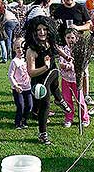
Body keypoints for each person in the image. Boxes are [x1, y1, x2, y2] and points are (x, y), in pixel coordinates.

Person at [25, 15, 71, 145]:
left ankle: (59, 99)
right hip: (39, 82)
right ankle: (42, 134)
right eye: (39, 30)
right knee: (45, 106)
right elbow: (31, 73)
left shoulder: (49, 42)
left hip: (52, 75)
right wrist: (45, 67)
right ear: (34, 32)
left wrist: (66, 56)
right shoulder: (31, 51)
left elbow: (56, 48)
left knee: (55, 76)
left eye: (44, 29)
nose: (42, 32)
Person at [53, 0, 94, 106]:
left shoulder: (80, 8)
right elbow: (53, 25)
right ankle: (68, 95)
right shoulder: (58, 10)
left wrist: (77, 27)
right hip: (64, 46)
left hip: (80, 46)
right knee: (66, 70)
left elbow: (89, 25)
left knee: (84, 71)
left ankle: (85, 95)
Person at [59, 29, 90, 128]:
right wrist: (64, 65)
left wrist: (72, 67)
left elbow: (81, 65)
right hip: (65, 79)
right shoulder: (63, 50)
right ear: (65, 38)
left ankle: (85, 118)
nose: (70, 40)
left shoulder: (79, 50)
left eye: (72, 37)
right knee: (67, 99)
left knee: (80, 99)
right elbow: (60, 63)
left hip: (76, 80)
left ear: (76, 39)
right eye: (68, 38)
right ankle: (68, 118)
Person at [8, 38, 33, 129]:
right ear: (14, 49)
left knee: (29, 105)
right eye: (18, 47)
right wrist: (15, 85)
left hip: (28, 87)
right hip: (18, 88)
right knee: (21, 106)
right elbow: (10, 75)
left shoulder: (27, 59)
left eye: (22, 47)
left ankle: (24, 120)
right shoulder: (14, 62)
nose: (20, 50)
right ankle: (17, 122)